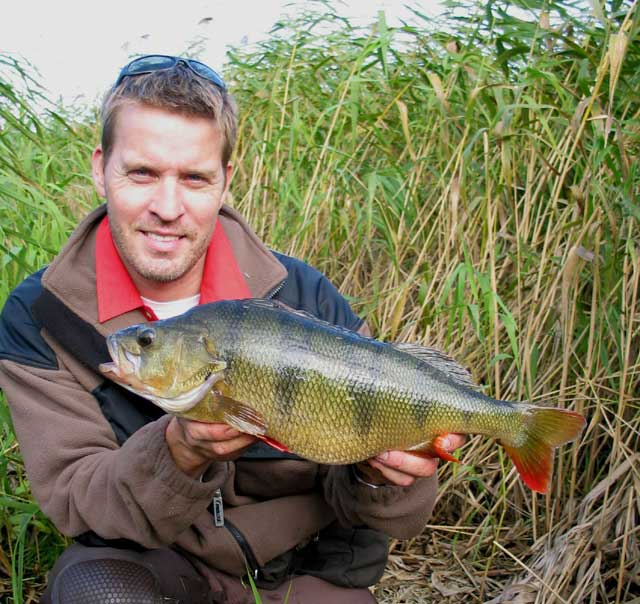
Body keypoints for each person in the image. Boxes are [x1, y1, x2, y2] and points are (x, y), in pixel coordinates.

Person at [0, 55, 463, 604]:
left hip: (303, 571)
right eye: (142, 173)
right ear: (101, 168)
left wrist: (383, 476)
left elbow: (394, 518)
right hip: (154, 564)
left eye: (194, 178)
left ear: (225, 181)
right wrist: (178, 452)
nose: (167, 207)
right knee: (96, 592)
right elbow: (78, 500)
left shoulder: (305, 297)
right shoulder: (42, 317)